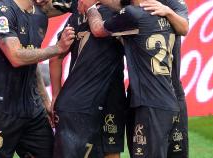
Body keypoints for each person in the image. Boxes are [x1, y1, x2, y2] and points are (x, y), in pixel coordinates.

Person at [80, 0, 184, 157]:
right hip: (167, 99)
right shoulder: (163, 14)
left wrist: (92, 8)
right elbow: (184, 28)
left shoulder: (131, 14)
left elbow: (97, 29)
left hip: (149, 102)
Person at [0, 0, 75, 157]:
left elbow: (32, 62)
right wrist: (57, 48)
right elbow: (16, 57)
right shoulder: (2, 12)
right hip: (1, 111)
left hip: (33, 110)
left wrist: (45, 101)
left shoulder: (39, 15)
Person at [49, 3, 127, 158]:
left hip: (80, 101)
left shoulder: (75, 18)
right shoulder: (121, 13)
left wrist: (56, 95)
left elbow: (55, 59)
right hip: (111, 99)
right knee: (111, 151)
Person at [140, 0, 189, 157]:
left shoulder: (173, 3)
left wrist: (167, 12)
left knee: (176, 152)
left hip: (172, 90)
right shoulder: (132, 5)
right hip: (143, 95)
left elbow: (184, 28)